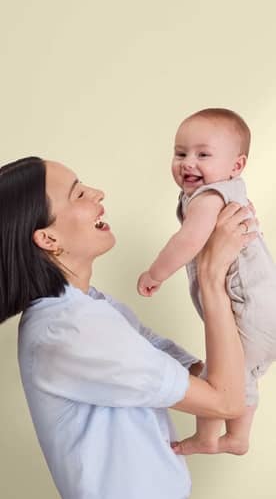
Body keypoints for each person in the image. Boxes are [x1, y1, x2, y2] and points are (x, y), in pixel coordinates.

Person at [0, 157, 255, 499]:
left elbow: (196, 373)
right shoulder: (71, 332)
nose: (97, 194)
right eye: (78, 195)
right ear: (47, 238)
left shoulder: (88, 307)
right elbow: (225, 402)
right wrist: (211, 275)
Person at [137, 107, 276, 456]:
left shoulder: (210, 197)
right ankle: (238, 438)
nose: (187, 163)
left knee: (221, 375)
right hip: (263, 311)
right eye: (180, 153)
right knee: (240, 373)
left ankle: (206, 437)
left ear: (236, 165)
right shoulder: (228, 191)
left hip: (251, 309)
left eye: (203, 154)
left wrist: (156, 273)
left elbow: (188, 241)